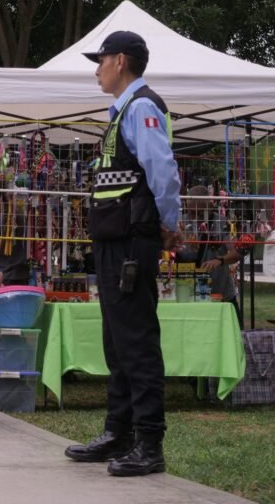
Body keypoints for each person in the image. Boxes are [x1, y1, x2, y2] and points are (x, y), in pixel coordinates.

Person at [64, 31, 182, 476]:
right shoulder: (122, 112)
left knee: (136, 342)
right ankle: (120, 432)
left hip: (134, 239)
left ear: (119, 61)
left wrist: (169, 223)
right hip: (116, 239)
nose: (96, 70)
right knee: (116, 340)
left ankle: (149, 442)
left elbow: (162, 170)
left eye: (100, 61)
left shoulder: (142, 107)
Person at [182, 184, 242, 323]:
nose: (193, 216)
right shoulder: (180, 222)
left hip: (220, 295)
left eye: (197, 212)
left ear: (208, 207)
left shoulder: (221, 222)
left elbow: (237, 252)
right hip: (188, 296)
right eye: (190, 211)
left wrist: (219, 260)